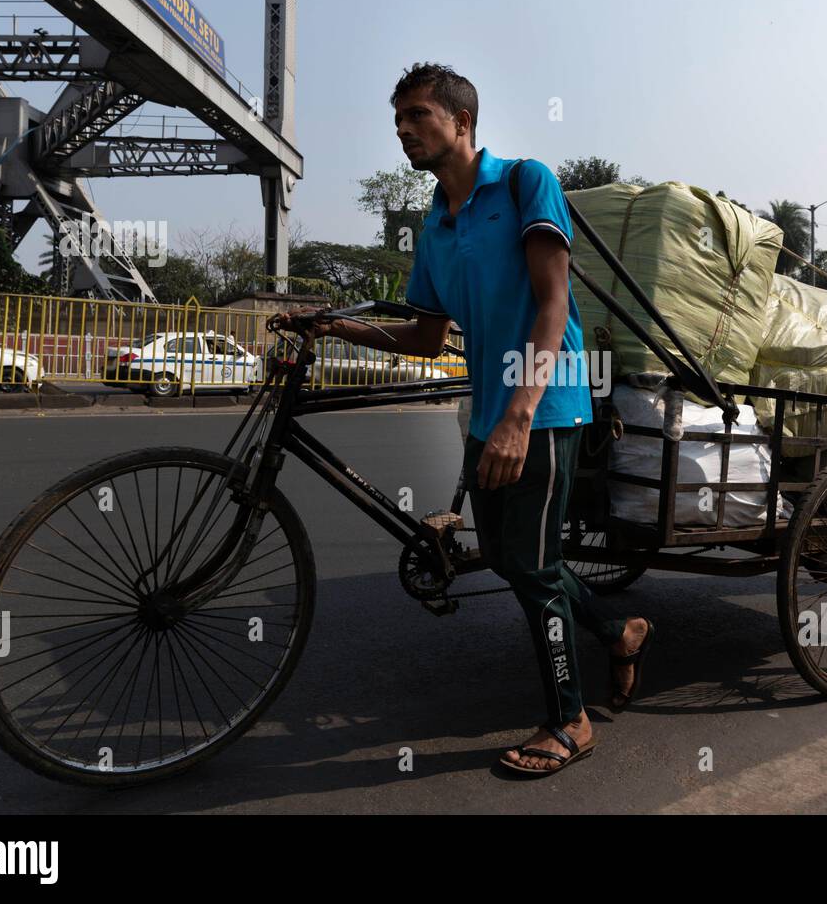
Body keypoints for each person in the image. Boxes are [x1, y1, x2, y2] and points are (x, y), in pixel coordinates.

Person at [275, 63, 651, 776]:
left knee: (533, 568)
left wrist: (517, 416)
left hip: (546, 404)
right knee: (510, 558)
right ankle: (619, 628)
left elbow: (551, 303)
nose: (404, 131)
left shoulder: (523, 183)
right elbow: (422, 336)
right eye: (398, 121)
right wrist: (335, 327)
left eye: (418, 115)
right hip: (490, 412)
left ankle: (570, 718)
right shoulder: (436, 226)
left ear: (462, 121)